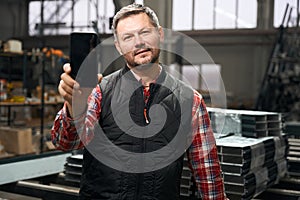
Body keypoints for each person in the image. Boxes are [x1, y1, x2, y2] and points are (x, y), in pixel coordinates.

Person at [51, 3, 228, 200]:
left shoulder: (190, 100)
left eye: (144, 32)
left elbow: (208, 174)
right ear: (118, 47)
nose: (138, 43)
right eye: (128, 37)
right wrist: (74, 106)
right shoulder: (99, 91)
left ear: (160, 34)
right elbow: (65, 142)